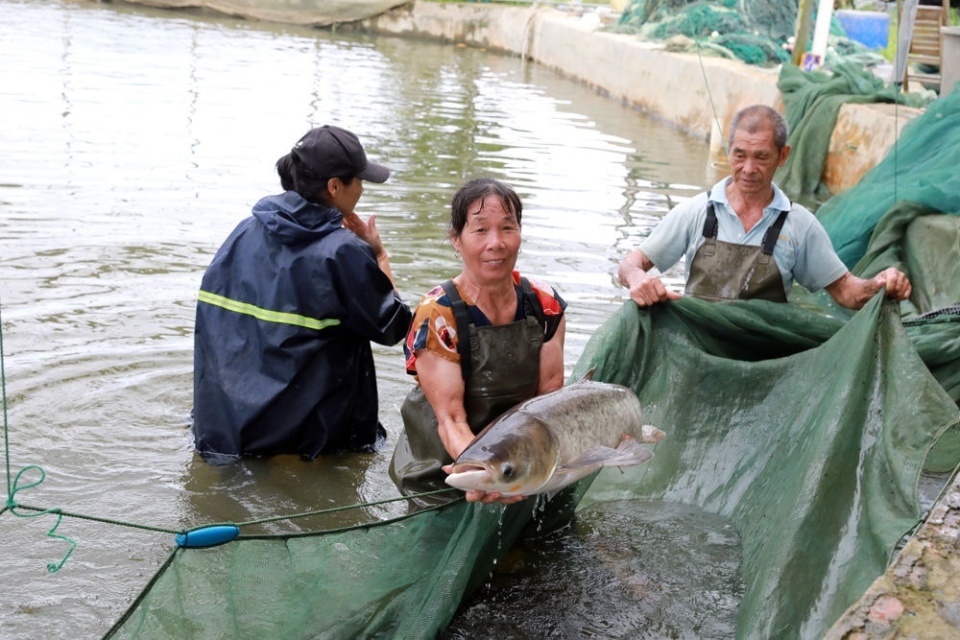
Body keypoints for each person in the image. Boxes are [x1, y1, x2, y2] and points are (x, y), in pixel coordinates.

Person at [192, 124, 413, 462]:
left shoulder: (244, 231)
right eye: (359, 180)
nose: (362, 189)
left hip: (226, 431)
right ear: (335, 186)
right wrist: (379, 255)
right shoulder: (343, 251)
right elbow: (396, 327)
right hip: (307, 446)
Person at [618, 104, 912, 309]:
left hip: (763, 361)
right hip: (696, 348)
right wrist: (638, 278)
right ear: (728, 151)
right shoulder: (695, 212)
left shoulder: (800, 225)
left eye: (761, 157)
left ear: (783, 156)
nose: (748, 168)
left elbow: (847, 292)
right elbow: (630, 264)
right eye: (740, 155)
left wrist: (880, 284)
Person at [389, 178, 567, 505]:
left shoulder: (545, 304)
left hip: (517, 465)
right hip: (444, 474)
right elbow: (451, 418)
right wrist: (484, 475)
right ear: (456, 240)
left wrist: (524, 474)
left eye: (507, 228)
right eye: (480, 230)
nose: (496, 243)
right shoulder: (437, 315)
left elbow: (547, 403)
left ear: (520, 233)